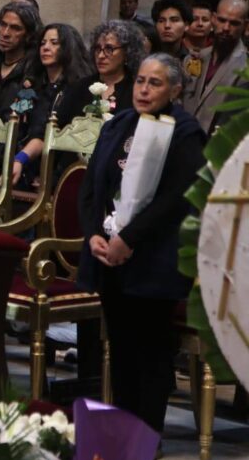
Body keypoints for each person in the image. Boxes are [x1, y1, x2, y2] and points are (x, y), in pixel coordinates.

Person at [78, 53, 206, 433]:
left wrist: (129, 239)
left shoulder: (185, 132)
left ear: (175, 90)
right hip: (109, 253)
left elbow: (176, 197)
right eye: (140, 81)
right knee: (120, 344)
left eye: (155, 83)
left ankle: (147, 432)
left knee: (149, 348)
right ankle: (122, 425)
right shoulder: (119, 124)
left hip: (154, 257)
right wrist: (94, 234)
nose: (144, 90)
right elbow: (92, 186)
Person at [10, 23, 95, 184]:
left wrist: (21, 158)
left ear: (68, 48)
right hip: (25, 164)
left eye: (54, 43)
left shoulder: (78, 89)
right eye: (43, 43)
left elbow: (48, 134)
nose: (46, 48)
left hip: (60, 172)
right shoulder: (32, 85)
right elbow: (15, 121)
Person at [53, 19, 144, 127]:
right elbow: (59, 126)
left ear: (127, 52)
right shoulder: (79, 88)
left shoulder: (136, 91)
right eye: (97, 49)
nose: (101, 56)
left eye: (109, 49)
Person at [183, 0, 248, 133]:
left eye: (234, 23)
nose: (226, 28)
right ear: (213, 18)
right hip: (184, 135)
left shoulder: (245, 67)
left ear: (245, 25)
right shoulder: (196, 57)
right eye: (222, 20)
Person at [183, 0, 213, 78]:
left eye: (205, 20)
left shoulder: (216, 51)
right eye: (194, 19)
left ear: (212, 26)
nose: (200, 24)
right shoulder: (177, 48)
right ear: (185, 24)